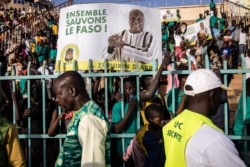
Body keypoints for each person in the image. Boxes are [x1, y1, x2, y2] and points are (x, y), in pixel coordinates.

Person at [162, 69, 246, 167]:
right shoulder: (214, 139)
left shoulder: (171, 125)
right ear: (213, 96)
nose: (221, 99)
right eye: (220, 93)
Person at [52, 70, 111, 166]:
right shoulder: (83, 114)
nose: (57, 100)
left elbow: (93, 163)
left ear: (72, 91)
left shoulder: (89, 119)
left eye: (59, 94)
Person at [111, 76, 138, 167]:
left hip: (136, 147)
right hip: (123, 149)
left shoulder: (137, 103)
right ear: (122, 90)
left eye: (134, 88)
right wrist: (130, 110)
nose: (132, 91)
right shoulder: (118, 106)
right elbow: (117, 128)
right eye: (129, 88)